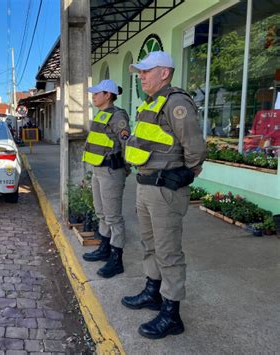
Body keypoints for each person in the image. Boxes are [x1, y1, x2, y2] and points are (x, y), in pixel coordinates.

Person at [122, 51, 206, 339]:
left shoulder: (177, 103)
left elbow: (195, 146)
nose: (141, 76)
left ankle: (172, 315)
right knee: (150, 245)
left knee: (168, 252)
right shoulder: (153, 103)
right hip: (146, 185)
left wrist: (189, 173)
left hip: (165, 190)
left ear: (165, 73)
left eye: (146, 71)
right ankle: (153, 292)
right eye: (140, 72)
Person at [81, 79, 131, 278]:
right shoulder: (102, 115)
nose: (93, 96)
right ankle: (104, 248)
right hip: (99, 171)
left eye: (97, 93)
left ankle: (117, 259)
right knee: (101, 213)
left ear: (107, 95)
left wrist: (126, 167)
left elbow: (126, 142)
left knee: (113, 217)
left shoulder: (118, 115)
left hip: (111, 171)